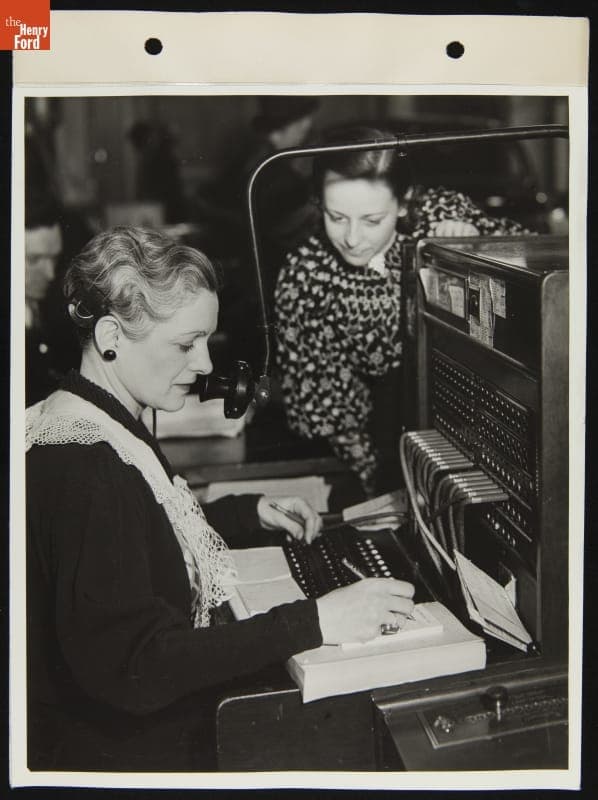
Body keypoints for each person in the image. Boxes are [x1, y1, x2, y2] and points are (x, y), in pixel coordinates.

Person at [25, 226, 415, 771]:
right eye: (186, 344)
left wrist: (243, 514)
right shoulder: (88, 467)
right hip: (126, 755)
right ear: (112, 334)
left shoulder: (86, 416)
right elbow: (137, 665)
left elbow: (138, 538)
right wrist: (315, 620)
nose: (206, 364)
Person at [274, 127, 529, 496]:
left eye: (372, 220)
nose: (352, 237)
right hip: (382, 441)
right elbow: (327, 408)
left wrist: (476, 246)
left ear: (406, 202)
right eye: (336, 216)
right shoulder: (306, 276)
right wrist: (385, 486)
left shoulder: (442, 218)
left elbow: (543, 268)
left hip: (484, 428)